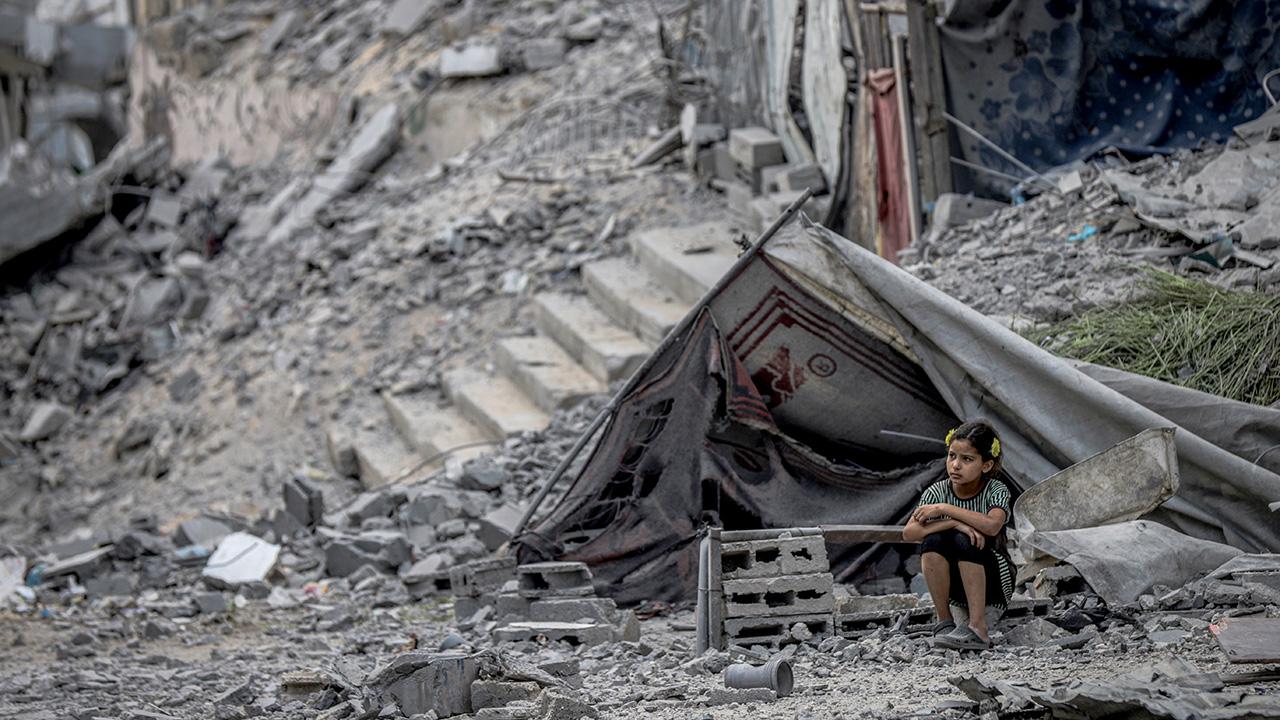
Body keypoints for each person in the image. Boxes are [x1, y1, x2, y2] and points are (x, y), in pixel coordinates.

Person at [901, 420, 1015, 650]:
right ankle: (944, 623)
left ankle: (978, 629)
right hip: (955, 585)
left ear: (986, 465)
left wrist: (946, 509)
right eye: (952, 456)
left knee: (965, 540)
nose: (955, 465)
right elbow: (910, 532)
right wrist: (953, 523)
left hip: (993, 581)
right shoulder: (937, 491)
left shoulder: (995, 489)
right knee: (933, 540)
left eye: (967, 459)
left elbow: (992, 526)